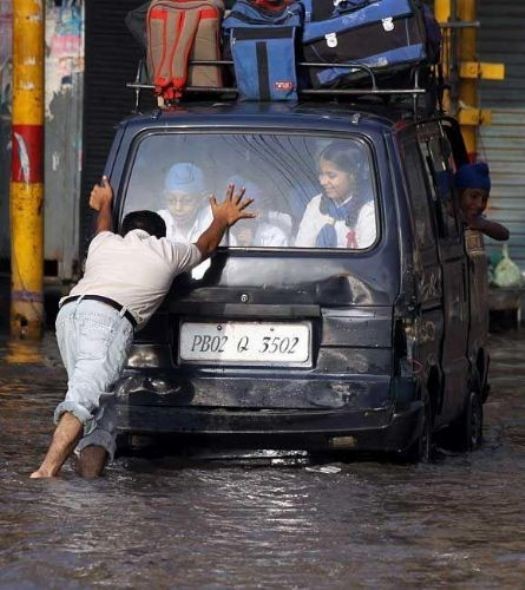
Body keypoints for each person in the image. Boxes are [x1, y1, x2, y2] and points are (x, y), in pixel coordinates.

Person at [30, 177, 255, 479]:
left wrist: (105, 204)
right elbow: (207, 245)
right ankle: (46, 472)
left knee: (102, 407)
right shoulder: (167, 250)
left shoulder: (104, 243)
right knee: (85, 396)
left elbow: (103, 225)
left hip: (69, 314)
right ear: (159, 235)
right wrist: (222, 219)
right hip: (108, 319)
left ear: (126, 232)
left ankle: (88, 484)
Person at [294, 141, 376, 249]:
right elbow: (302, 248)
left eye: (331, 176)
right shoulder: (316, 204)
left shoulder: (369, 209)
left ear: (352, 176)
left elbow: (367, 260)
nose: (323, 181)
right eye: (321, 175)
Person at [156, 162, 210, 242]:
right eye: (171, 200)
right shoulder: (157, 222)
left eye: (187, 201)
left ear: (201, 199)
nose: (178, 208)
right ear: (165, 196)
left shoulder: (212, 223)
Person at [455, 162, 509, 241]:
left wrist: (484, 225)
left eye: (484, 199)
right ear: (458, 195)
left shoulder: (471, 220)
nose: (480, 205)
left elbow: (504, 234)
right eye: (474, 196)